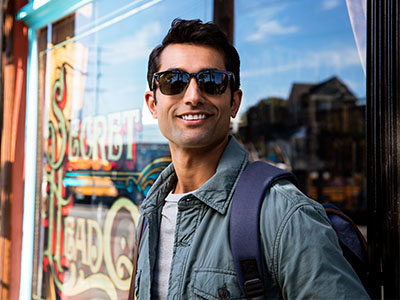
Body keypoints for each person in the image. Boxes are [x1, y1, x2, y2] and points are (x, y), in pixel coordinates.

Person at [132, 18, 370, 299]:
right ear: (152, 103)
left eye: (212, 81)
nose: (193, 96)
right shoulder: (150, 215)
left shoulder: (283, 214)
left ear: (234, 102)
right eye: (174, 81)